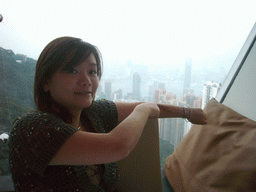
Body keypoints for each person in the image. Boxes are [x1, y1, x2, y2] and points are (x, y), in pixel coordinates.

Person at [8, 36, 207, 191]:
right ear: (45, 82)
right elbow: (118, 146)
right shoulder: (31, 128)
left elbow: (149, 105)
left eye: (92, 71)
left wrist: (187, 112)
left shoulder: (92, 113)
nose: (86, 80)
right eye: (72, 71)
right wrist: (144, 110)